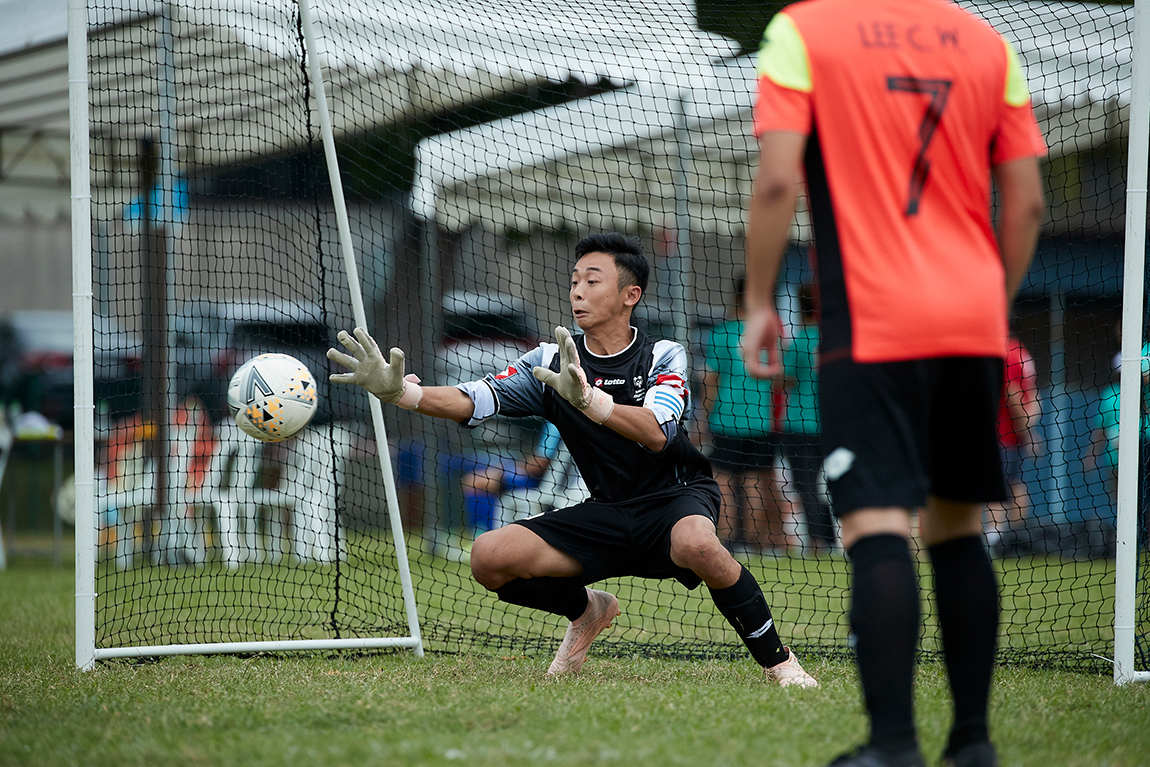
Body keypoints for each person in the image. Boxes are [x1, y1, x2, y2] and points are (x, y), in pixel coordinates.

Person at [743, 2, 1046, 765]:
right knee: (958, 528)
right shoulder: (987, 42)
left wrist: (756, 300)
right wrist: (991, 306)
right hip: (971, 326)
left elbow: (778, 182)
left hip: (871, 328)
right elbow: (1030, 201)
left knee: (877, 529)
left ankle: (892, 746)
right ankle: (973, 743)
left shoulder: (804, 31)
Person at [328, 232, 817, 687]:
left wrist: (590, 402)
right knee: (489, 558)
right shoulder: (551, 359)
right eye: (574, 281)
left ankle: (780, 663)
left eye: (593, 280)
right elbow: (472, 399)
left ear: (631, 295)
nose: (578, 292)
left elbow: (654, 432)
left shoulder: (662, 355)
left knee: (701, 546)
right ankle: (588, 610)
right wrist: (400, 394)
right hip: (608, 510)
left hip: (677, 499)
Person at [702, 275, 799, 555]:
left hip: (726, 417)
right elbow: (783, 378)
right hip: (761, 419)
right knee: (755, 481)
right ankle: (756, 543)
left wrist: (706, 415)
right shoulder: (771, 333)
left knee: (724, 480)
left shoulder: (721, 333)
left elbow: (710, 380)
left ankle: (728, 542)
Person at [780, 283, 835, 553]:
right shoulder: (832, 338)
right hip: (830, 422)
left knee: (806, 485)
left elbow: (785, 379)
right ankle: (832, 538)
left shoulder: (801, 339)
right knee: (831, 483)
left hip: (799, 424)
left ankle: (817, 541)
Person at [986, 334, 1040, 556]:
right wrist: (1029, 431)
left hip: (1002, 434)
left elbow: (1013, 393)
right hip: (1012, 435)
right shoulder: (1021, 350)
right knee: (1015, 485)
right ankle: (1019, 540)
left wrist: (1025, 431)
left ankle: (996, 541)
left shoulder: (1005, 350)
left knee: (997, 489)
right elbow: (1033, 395)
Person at [460, 420, 562, 531]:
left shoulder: (555, 422)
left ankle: (487, 535)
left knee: (474, 482)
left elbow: (540, 464)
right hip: (547, 480)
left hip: (540, 482)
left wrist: (507, 469)